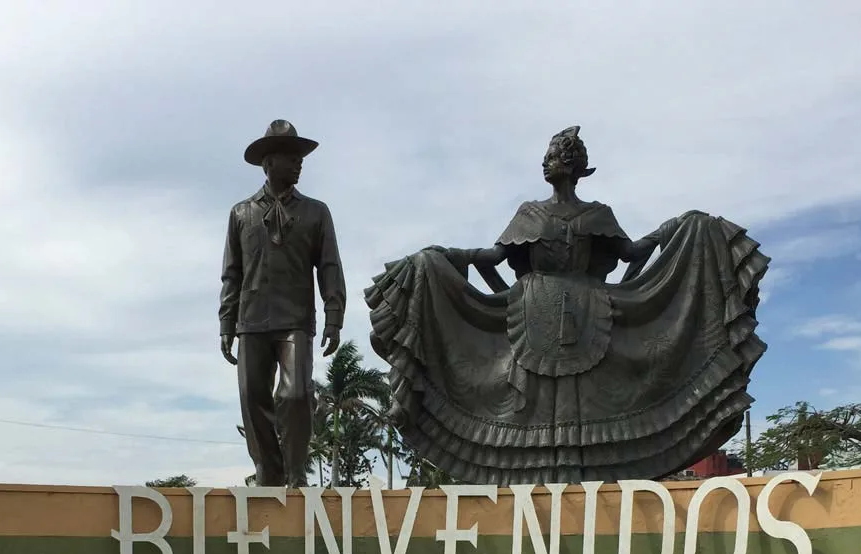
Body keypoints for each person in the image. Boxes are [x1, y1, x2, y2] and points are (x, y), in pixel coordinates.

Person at [365, 125, 771, 484]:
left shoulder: (599, 215)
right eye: (547, 156)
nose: (547, 162)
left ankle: (593, 475)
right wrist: (441, 258)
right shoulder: (529, 213)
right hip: (533, 312)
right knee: (533, 406)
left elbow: (631, 254)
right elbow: (492, 259)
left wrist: (679, 229)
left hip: (589, 313)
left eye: (556, 156)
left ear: (574, 165)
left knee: (590, 402)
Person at [219, 120, 346, 486]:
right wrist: (227, 323)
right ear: (269, 162)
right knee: (252, 397)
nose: (299, 163)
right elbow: (232, 272)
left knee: (295, 394)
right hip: (252, 319)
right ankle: (268, 474)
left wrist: (334, 314)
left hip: (295, 319)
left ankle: (295, 473)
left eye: (300, 158)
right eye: (291, 157)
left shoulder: (316, 212)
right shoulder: (241, 213)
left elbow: (330, 266)